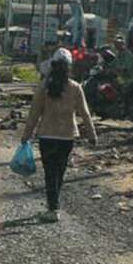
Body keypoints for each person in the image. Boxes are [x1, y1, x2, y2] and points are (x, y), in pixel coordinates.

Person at [22, 48, 97, 223]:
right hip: (67, 137)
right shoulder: (75, 87)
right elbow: (85, 114)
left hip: (47, 136)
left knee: (50, 173)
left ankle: (53, 208)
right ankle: (54, 205)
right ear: (69, 67)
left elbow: (34, 113)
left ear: (53, 65)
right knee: (60, 172)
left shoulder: (44, 87)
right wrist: (92, 135)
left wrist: (26, 134)